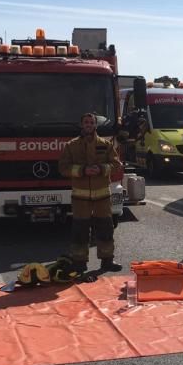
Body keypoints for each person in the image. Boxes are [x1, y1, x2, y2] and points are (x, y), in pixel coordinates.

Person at [58, 113, 123, 272]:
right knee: (80, 231)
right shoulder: (71, 146)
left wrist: (101, 169)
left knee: (106, 229)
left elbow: (116, 165)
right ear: (81, 125)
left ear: (95, 125)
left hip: (102, 196)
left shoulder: (106, 144)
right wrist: (82, 170)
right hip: (80, 198)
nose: (88, 125)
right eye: (86, 122)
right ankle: (80, 263)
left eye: (91, 122)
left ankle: (107, 261)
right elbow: (63, 168)